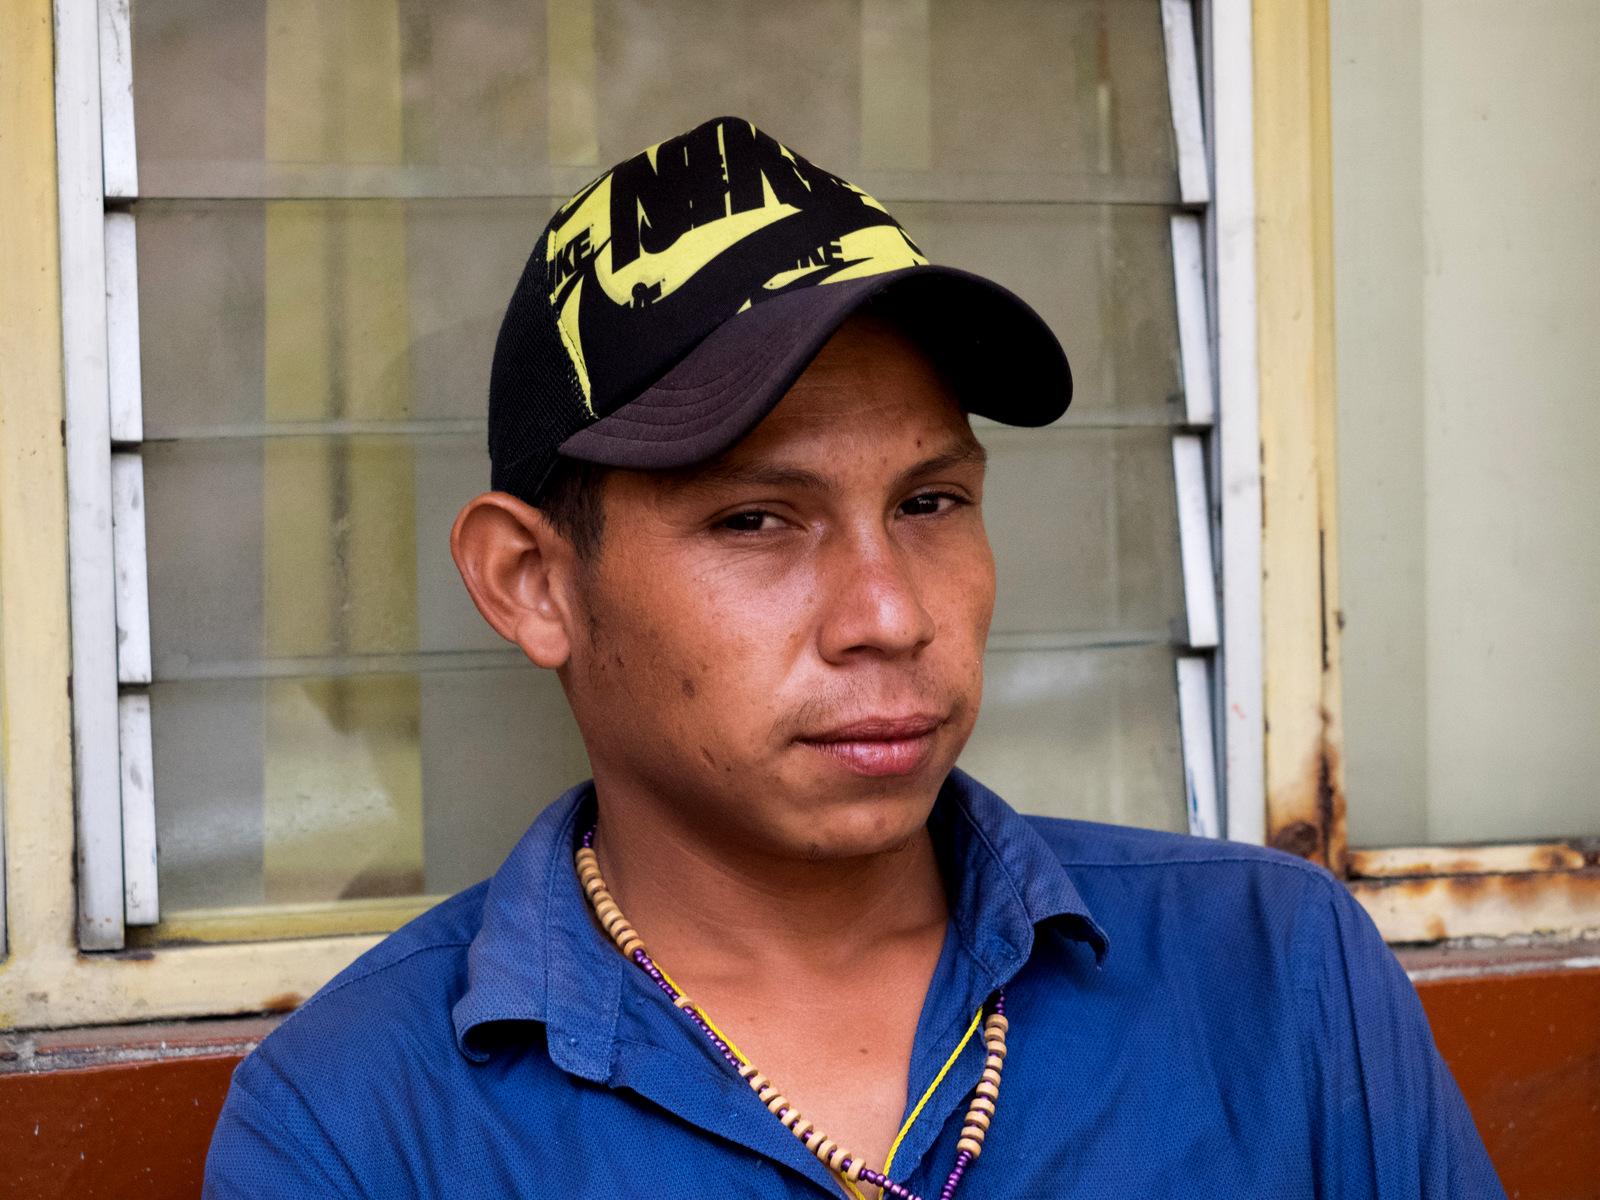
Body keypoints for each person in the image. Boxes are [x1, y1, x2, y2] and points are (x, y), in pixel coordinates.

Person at [203, 117, 1502, 1199]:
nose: (886, 613)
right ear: (535, 584)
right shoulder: (362, 1128)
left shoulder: (1275, 978)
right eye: (757, 520)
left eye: (931, 504)